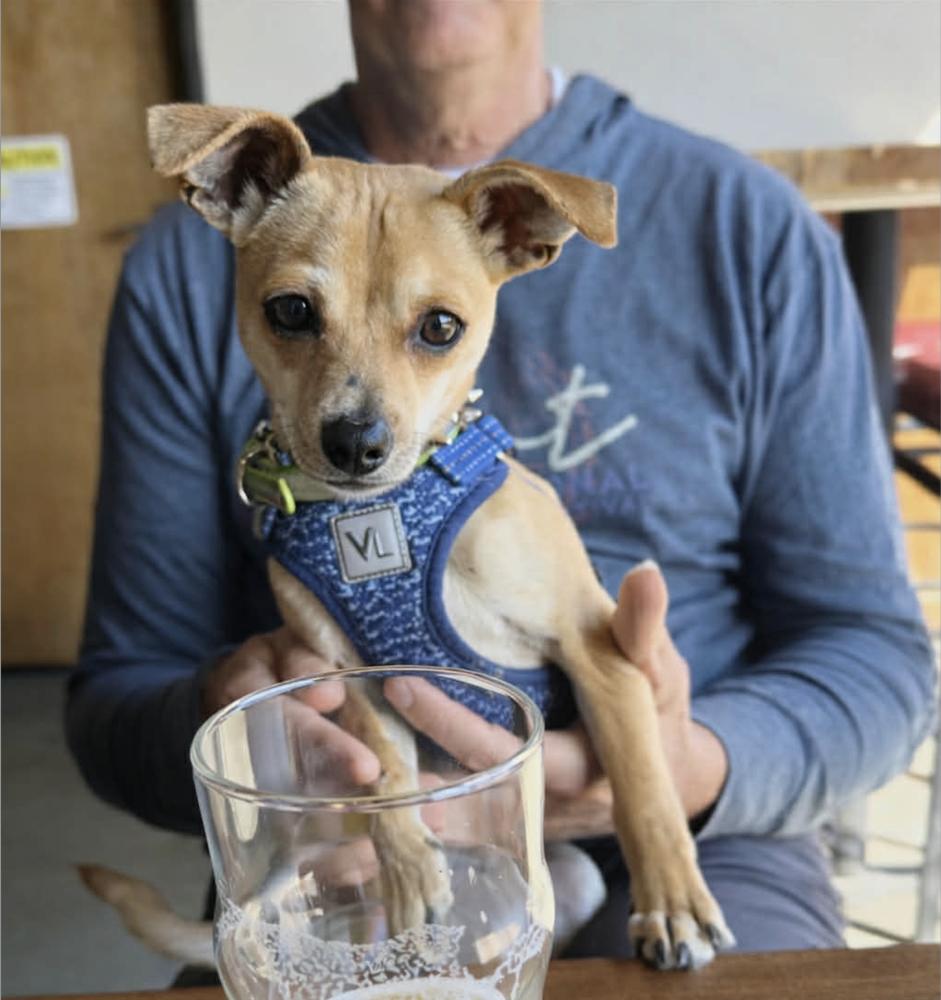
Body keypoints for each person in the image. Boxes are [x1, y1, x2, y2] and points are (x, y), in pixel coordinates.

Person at [67, 0, 935, 964]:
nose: (358, 416)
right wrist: (235, 728)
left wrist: (689, 771)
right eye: (295, 316)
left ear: (519, 237)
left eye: (432, 331)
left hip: (713, 835)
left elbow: (882, 660)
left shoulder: (751, 229)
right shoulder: (203, 248)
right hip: (355, 838)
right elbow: (115, 701)